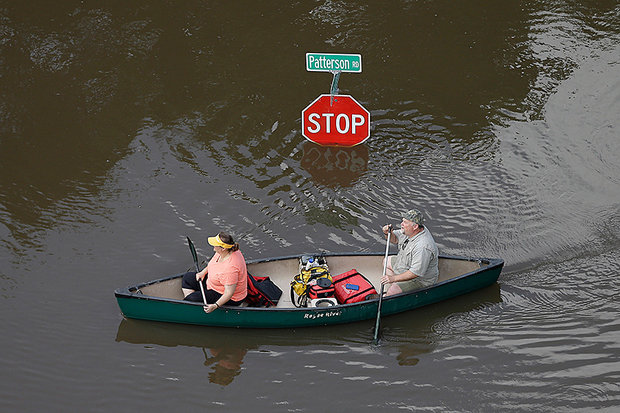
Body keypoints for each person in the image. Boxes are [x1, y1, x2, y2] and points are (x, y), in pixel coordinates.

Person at [181, 231, 248, 313]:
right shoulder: (224, 251)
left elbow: (229, 293)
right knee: (188, 278)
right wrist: (203, 272)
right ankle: (193, 305)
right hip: (214, 283)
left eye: (215, 245)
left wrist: (215, 305)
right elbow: (212, 264)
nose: (213, 246)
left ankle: (192, 306)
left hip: (226, 295)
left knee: (192, 298)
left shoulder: (230, 269)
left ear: (223, 248)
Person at [380, 209, 439, 296]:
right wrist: (387, 233)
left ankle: (392, 293)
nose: (401, 224)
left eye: (405, 222)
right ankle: (396, 287)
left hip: (419, 280)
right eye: (402, 221)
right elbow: (395, 239)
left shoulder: (423, 247)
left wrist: (393, 278)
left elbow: (415, 273)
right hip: (406, 265)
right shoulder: (411, 230)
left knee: (393, 291)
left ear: (415, 226)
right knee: (386, 261)